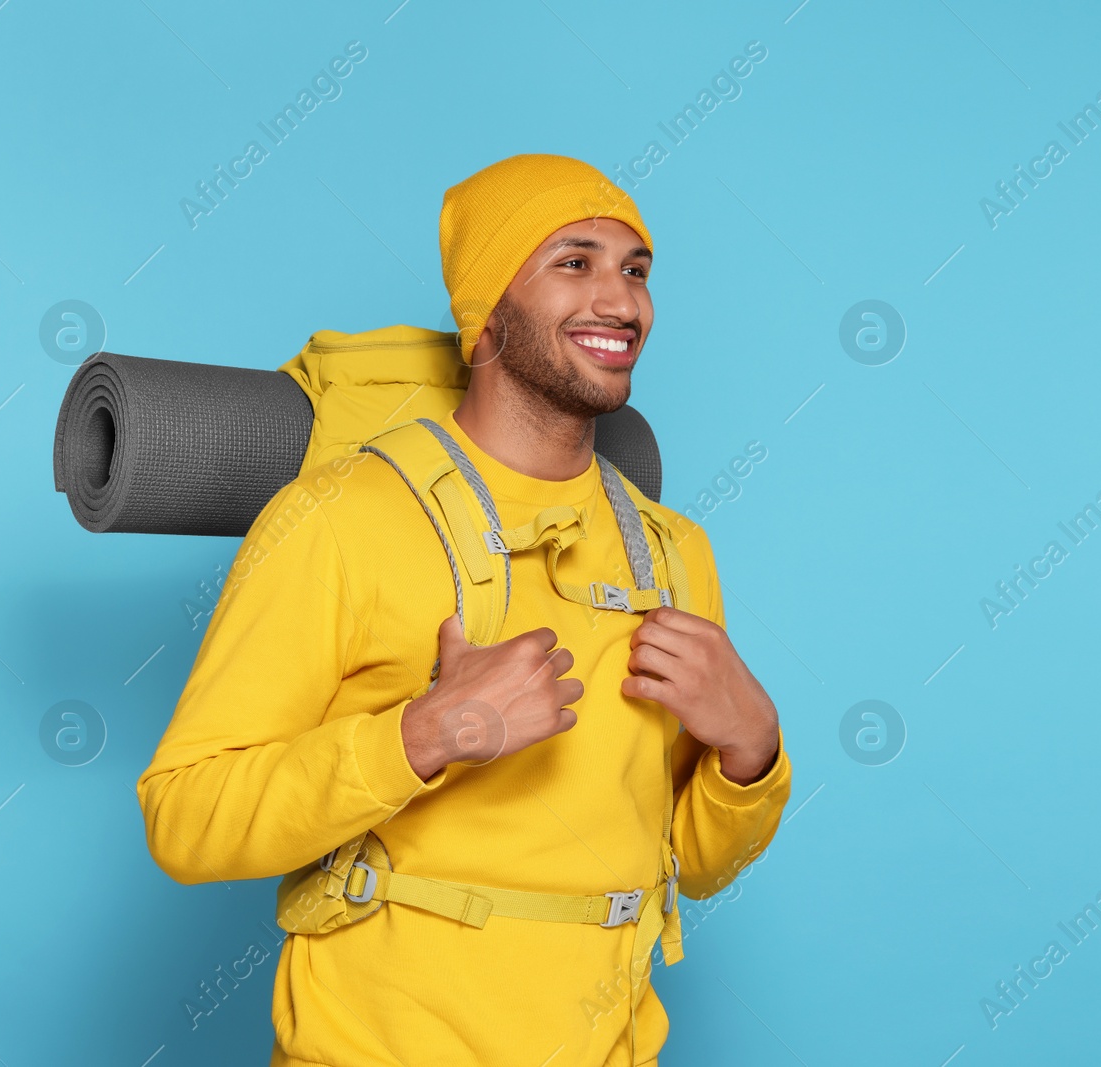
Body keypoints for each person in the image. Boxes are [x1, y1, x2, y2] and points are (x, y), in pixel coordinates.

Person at [137, 153, 792, 1066]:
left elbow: (691, 862)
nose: (622, 301)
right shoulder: (339, 520)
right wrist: (422, 735)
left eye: (636, 270)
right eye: (575, 261)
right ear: (489, 310)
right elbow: (185, 816)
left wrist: (751, 748)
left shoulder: (674, 552)